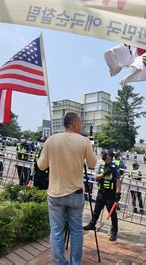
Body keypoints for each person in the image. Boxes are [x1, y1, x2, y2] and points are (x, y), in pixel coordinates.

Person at [37, 112, 97, 264]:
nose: (82, 125)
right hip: (76, 193)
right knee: (76, 230)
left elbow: (41, 165)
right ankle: (75, 262)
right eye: (80, 123)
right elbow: (92, 164)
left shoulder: (51, 140)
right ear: (74, 124)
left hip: (55, 193)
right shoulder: (84, 141)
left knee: (56, 231)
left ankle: (60, 262)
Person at [83, 150, 121, 241]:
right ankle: (92, 224)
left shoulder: (114, 167)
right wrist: (104, 174)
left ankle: (114, 231)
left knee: (112, 214)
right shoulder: (102, 165)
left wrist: (118, 194)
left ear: (111, 157)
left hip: (110, 194)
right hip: (101, 192)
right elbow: (97, 176)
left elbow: (118, 182)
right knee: (96, 211)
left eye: (107, 154)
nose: (105, 156)